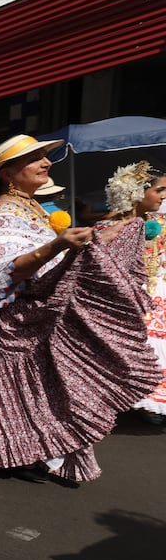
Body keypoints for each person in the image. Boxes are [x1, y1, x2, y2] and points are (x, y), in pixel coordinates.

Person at [0, 135, 160, 486]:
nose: (46, 162)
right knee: (13, 389)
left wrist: (103, 238)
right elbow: (3, 267)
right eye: (35, 158)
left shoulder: (28, 208)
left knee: (30, 388)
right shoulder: (5, 213)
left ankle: (26, 451)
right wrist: (57, 244)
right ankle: (11, 452)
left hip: (27, 314)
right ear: (8, 175)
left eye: (45, 156)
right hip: (11, 320)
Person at [95, 162, 166, 423]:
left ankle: (145, 401)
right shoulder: (109, 228)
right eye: (159, 190)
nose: (163, 196)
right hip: (121, 302)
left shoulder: (157, 224)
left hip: (154, 295)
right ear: (137, 192)